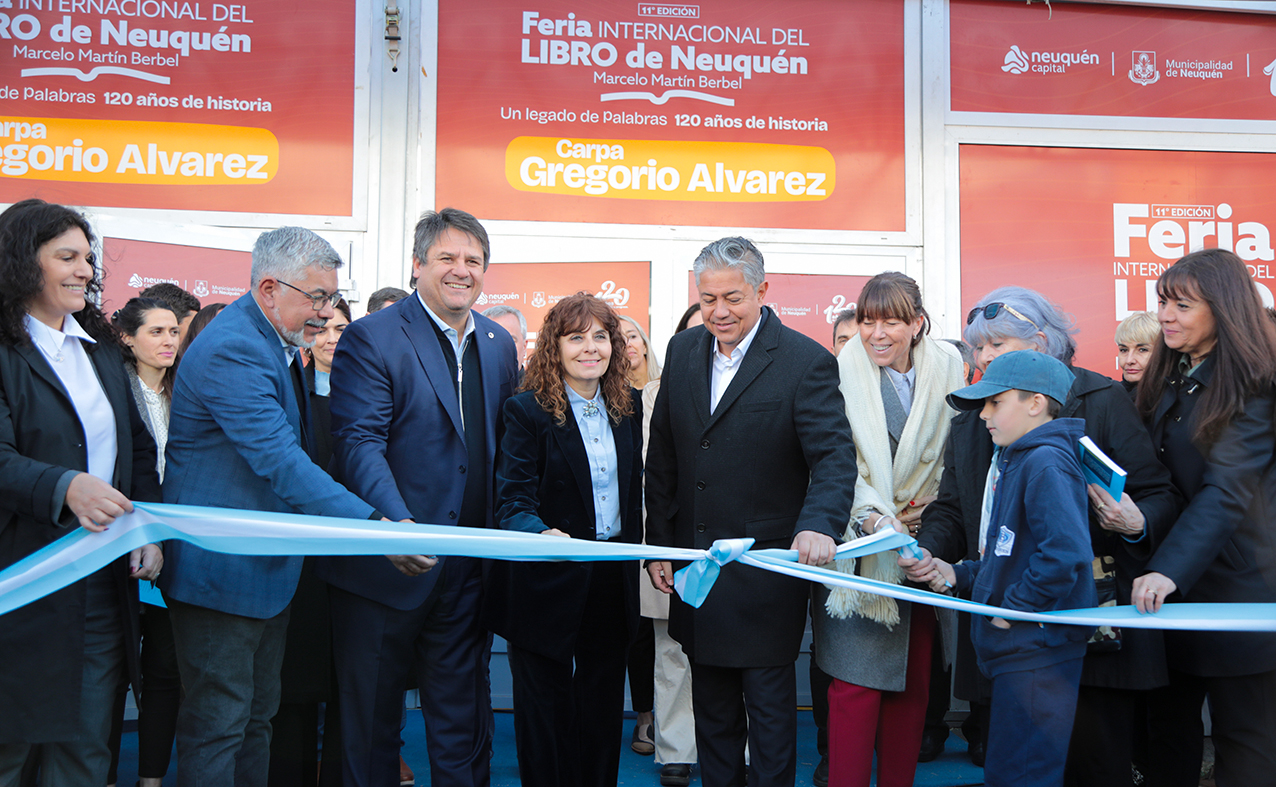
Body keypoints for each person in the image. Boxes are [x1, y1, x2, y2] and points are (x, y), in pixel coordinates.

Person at [907, 286, 1179, 784]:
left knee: (1091, 763)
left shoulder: (1100, 400)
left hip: (1087, 627)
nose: (984, 357)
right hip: (1011, 634)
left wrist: (1136, 523)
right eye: (978, 348)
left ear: (1040, 343)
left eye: (998, 345)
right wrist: (932, 553)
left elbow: (1157, 494)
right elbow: (954, 507)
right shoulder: (976, 417)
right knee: (1018, 763)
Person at [159, 227, 381, 787]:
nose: (325, 312)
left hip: (262, 573)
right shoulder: (234, 348)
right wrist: (375, 527)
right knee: (219, 727)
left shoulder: (275, 345)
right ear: (268, 288)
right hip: (222, 573)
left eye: (332, 298)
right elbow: (282, 462)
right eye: (317, 298)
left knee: (255, 721)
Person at [645, 237, 857, 787]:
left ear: (763, 291)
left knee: (768, 717)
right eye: (708, 297)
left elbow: (834, 457)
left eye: (733, 298)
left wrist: (818, 524)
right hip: (697, 569)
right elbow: (663, 456)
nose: (719, 311)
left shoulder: (805, 361)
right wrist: (660, 547)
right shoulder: (685, 351)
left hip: (765, 575)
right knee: (712, 713)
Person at [320, 208, 519, 787]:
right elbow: (358, 441)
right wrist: (395, 524)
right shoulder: (371, 336)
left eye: (474, 261)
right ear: (417, 265)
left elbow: (505, 452)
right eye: (448, 259)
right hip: (385, 565)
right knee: (372, 727)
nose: (462, 271)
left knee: (462, 724)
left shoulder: (497, 343)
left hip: (465, 570)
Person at [0, 199, 163, 785]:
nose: (84, 271)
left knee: (88, 752)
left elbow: (138, 453)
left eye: (88, 259)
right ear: (22, 262)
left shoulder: (99, 354)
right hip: (20, 585)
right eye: (66, 257)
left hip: (99, 585)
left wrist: (149, 529)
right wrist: (66, 486)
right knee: (11, 750)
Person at [811, 272, 964, 787]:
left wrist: (928, 529)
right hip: (860, 550)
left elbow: (954, 459)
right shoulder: (834, 371)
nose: (877, 333)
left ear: (917, 324)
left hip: (923, 545)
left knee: (912, 685)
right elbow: (832, 459)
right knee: (854, 687)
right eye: (868, 320)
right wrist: (875, 517)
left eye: (892, 321)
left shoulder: (950, 369)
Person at [485, 292, 643, 787]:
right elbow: (510, 501)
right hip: (546, 576)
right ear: (554, 346)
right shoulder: (525, 412)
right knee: (544, 713)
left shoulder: (630, 408)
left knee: (599, 710)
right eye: (576, 337)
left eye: (600, 336)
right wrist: (542, 534)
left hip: (609, 579)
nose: (590, 348)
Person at [1131, 249, 1276, 787]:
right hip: (1169, 590)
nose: (1166, 315)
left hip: (1241, 590)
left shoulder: (1256, 384)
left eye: (1182, 304)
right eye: (1163, 301)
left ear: (1223, 308)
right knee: (1168, 736)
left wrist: (1168, 569)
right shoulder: (1170, 377)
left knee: (1246, 743)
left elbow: (1225, 491)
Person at [923, 350, 1097, 787]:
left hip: (1037, 649)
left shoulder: (1044, 462)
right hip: (1022, 652)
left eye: (994, 402)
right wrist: (959, 574)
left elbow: (1065, 554)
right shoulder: (1021, 458)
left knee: (1024, 773)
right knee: (1008, 770)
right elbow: (1008, 553)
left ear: (1035, 403)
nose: (983, 415)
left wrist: (1014, 608)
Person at [267, 296, 353, 787]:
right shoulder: (287, 389)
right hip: (297, 566)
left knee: (349, 687)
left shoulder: (369, 395)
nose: (331, 337)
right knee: (293, 689)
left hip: (354, 562)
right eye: (322, 327)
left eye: (342, 327)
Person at [112, 297, 183, 787]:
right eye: (156, 332)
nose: (168, 341)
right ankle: (107, 773)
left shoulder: (189, 394)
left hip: (174, 548)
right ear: (127, 338)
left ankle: (151, 779)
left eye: (174, 331)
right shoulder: (111, 392)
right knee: (114, 672)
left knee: (165, 670)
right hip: (117, 545)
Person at [1115, 311, 1159, 392]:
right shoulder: (1109, 397)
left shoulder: (1181, 397)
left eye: (1142, 350)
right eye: (1124, 350)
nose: (1129, 360)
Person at [619, 314, 661, 390]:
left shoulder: (668, 382)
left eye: (632, 336)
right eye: (619, 340)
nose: (627, 344)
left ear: (644, 345)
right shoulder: (609, 395)